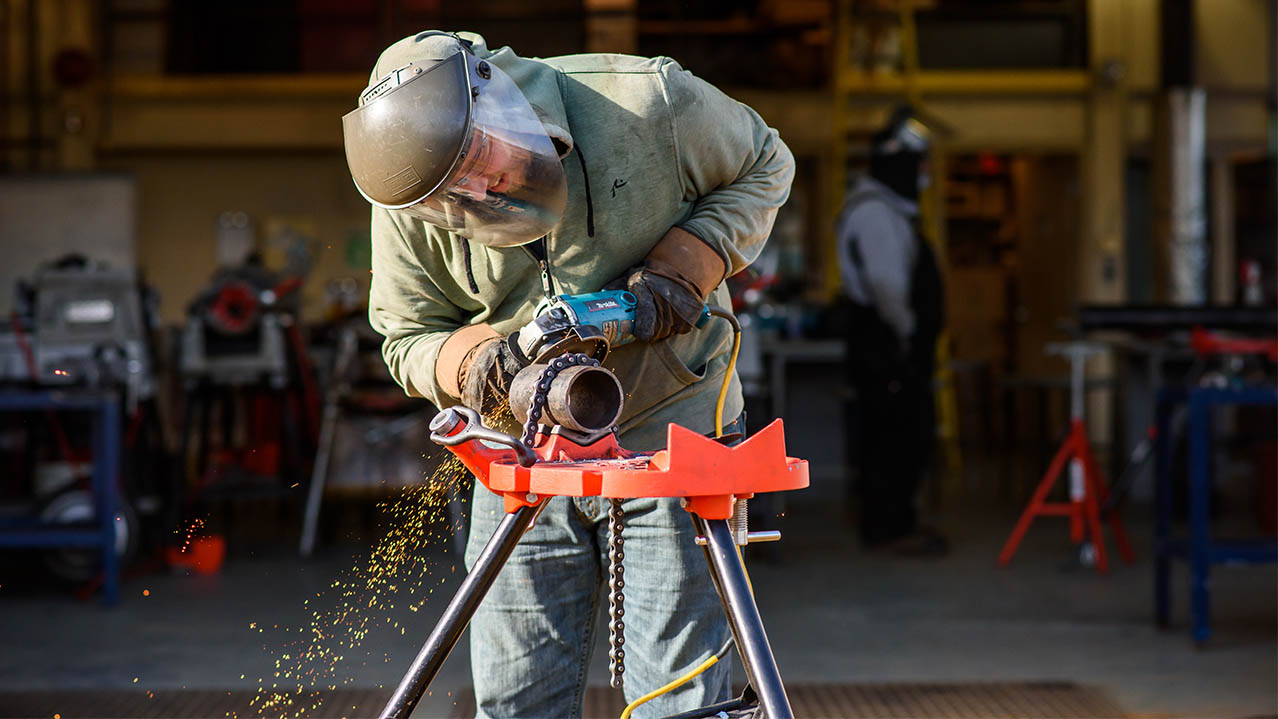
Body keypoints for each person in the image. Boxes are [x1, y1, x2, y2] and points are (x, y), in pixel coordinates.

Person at [342, 31, 794, 718]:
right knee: (516, 701)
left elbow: (768, 161)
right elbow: (406, 336)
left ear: (495, 98)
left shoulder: (649, 103)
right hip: (521, 451)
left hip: (676, 436)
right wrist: (474, 367)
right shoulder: (411, 191)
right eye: (447, 190)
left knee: (678, 703)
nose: (475, 190)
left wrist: (690, 261)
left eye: (477, 160)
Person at [836, 106, 947, 556]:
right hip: (885, 349)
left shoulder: (889, 210)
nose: (924, 174)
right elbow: (886, 287)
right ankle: (888, 529)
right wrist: (906, 338)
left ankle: (897, 523)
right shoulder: (874, 213)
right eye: (918, 165)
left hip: (893, 348)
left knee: (903, 438)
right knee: (891, 442)